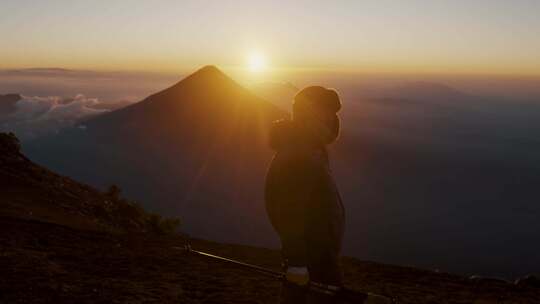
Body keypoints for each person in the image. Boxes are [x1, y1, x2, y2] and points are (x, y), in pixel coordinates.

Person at [265, 86, 345, 303]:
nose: (331, 119)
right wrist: (297, 264)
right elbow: (290, 211)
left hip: (318, 256)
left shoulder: (308, 149)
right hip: (313, 259)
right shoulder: (300, 155)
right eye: (325, 113)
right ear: (308, 117)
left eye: (333, 114)